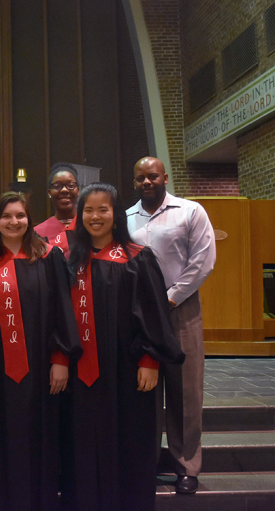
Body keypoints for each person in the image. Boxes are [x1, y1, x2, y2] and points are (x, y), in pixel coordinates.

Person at [60, 182, 185, 511]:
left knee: (126, 441)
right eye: (88, 210)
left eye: (104, 209)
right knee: (83, 444)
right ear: (79, 215)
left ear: (116, 214)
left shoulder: (136, 258)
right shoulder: (71, 262)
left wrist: (150, 360)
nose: (95, 216)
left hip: (126, 370)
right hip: (80, 374)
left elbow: (155, 313)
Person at [0, 191, 81, 511]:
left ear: (30, 220)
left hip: (41, 368)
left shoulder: (49, 257)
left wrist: (61, 358)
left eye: (20, 216)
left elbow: (61, 310)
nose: (14, 222)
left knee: (38, 436)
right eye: (7, 216)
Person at [126, 156, 216, 494]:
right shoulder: (126, 218)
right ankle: (144, 463)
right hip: (139, 316)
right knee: (143, 393)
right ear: (133, 182)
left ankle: (186, 467)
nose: (146, 182)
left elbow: (203, 260)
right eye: (140, 178)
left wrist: (170, 298)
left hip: (180, 310)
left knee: (185, 391)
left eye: (152, 176)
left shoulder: (190, 212)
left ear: (164, 177)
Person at [35, 162, 80, 242]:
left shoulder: (89, 228)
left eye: (70, 185)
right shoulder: (38, 233)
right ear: (49, 192)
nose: (64, 190)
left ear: (78, 190)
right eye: (57, 186)